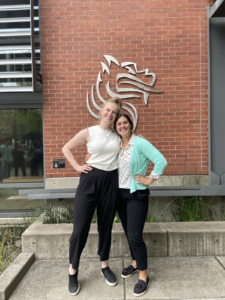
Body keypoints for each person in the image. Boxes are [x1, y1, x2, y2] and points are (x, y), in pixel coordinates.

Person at [62, 97, 123, 296]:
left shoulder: (118, 135)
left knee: (106, 226)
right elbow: (66, 148)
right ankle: (73, 270)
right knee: (80, 229)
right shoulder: (89, 132)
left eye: (114, 112)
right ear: (101, 111)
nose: (110, 114)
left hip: (111, 181)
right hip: (90, 180)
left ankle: (104, 265)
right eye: (108, 110)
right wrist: (77, 166)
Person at [114, 113, 167, 297]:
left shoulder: (140, 143)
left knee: (135, 236)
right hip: (119, 195)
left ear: (131, 124)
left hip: (136, 194)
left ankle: (143, 276)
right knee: (129, 233)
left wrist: (149, 179)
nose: (122, 126)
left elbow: (161, 160)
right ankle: (135, 263)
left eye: (125, 123)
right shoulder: (117, 145)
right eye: (119, 124)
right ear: (116, 128)